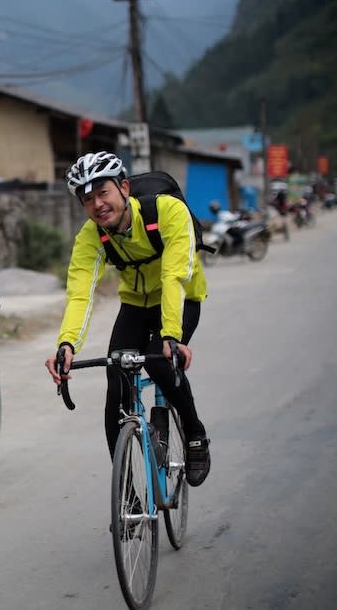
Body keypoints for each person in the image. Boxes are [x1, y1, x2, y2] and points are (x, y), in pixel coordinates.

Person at [44, 152, 211, 487]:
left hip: (178, 300)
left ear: (123, 187)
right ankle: (128, 494)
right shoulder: (91, 237)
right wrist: (67, 343)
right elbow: (80, 293)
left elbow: (175, 276)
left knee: (161, 362)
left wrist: (171, 336)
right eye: (87, 199)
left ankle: (195, 433)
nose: (97, 205)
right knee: (115, 388)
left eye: (103, 192)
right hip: (135, 304)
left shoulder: (167, 212)